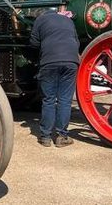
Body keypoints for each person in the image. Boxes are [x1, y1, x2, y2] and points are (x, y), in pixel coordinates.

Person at [30, 8, 80, 148]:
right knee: (65, 100)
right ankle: (62, 136)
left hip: (49, 62)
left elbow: (33, 43)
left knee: (48, 99)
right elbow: (77, 42)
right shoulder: (68, 20)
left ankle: (45, 137)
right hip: (71, 62)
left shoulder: (40, 20)